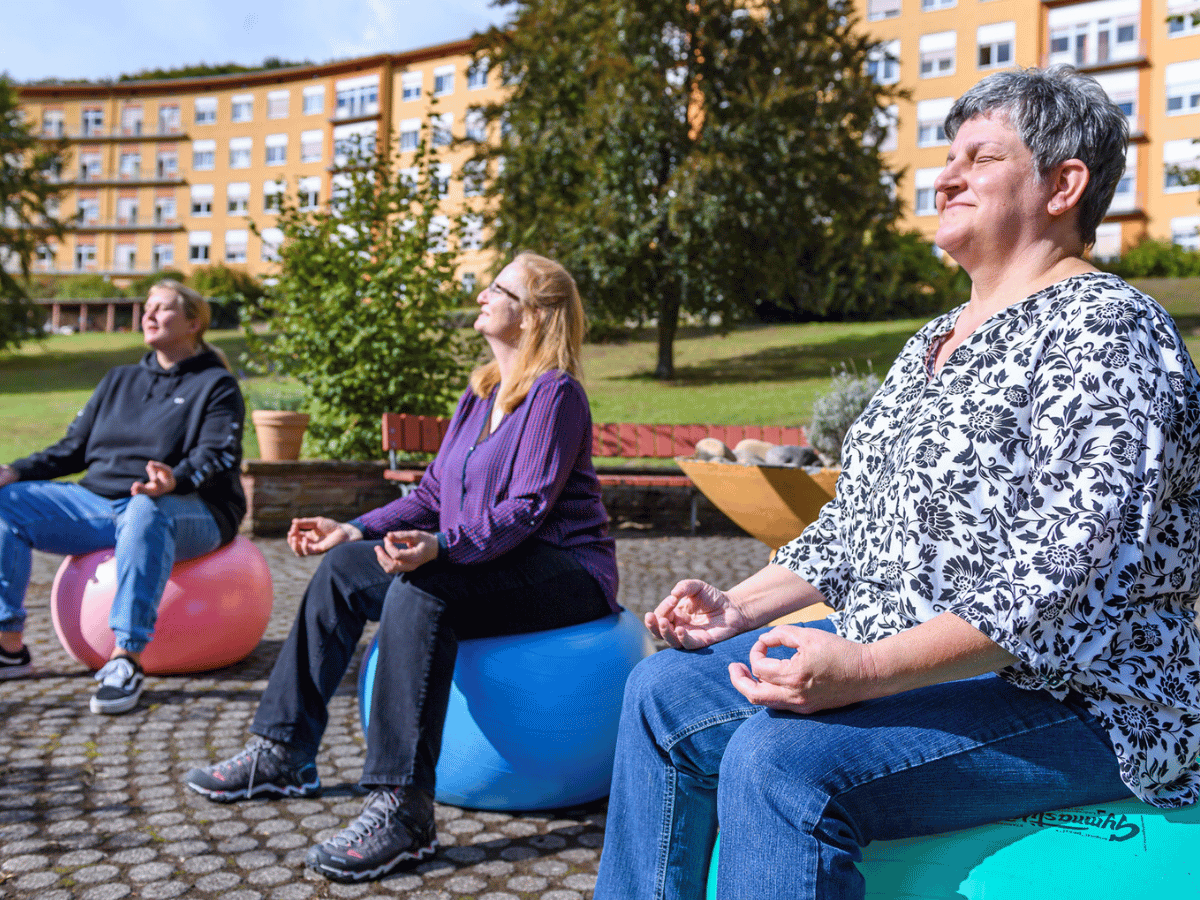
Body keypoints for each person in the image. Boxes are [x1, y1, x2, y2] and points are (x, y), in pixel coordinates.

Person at [594, 65, 1200, 900]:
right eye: (948, 158)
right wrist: (741, 606)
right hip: (914, 655)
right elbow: (861, 523)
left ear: (1063, 186)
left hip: (1082, 698)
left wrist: (867, 669)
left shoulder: (1110, 331)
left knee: (780, 761)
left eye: (980, 158)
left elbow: (1065, 579)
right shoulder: (932, 342)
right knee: (661, 692)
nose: (944, 178)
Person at [183, 251, 619, 884]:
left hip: (565, 572)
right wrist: (354, 529)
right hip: (487, 557)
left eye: (498, 289)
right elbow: (433, 493)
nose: (482, 295)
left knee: (422, 589)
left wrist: (440, 547)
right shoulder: (481, 395)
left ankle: (402, 811)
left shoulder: (556, 395)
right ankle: (284, 751)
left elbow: (526, 509)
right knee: (344, 570)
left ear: (531, 316)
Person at [0, 280, 246, 714]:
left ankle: (125, 659)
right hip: (100, 505)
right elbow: (72, 449)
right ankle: (8, 648)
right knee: (7, 502)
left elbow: (217, 454)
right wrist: (14, 471)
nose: (148, 315)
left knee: (145, 510)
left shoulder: (217, 384)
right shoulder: (119, 379)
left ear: (193, 323)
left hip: (188, 507)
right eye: (147, 307)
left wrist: (174, 481)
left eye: (163, 308)